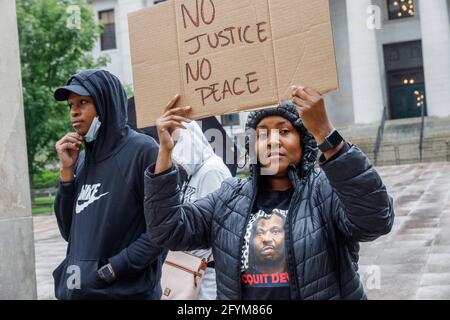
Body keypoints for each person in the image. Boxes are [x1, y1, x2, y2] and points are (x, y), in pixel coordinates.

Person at [144, 87, 395, 300]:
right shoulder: (228, 198)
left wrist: (326, 134)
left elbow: (376, 220)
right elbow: (167, 230)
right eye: (262, 134)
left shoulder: (326, 192)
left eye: (284, 131)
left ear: (303, 141)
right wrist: (165, 153)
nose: (273, 141)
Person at [52, 69, 166, 299]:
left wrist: (112, 270)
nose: (74, 111)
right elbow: (69, 232)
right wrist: (66, 174)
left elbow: (162, 230)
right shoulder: (81, 159)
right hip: (78, 292)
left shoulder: (143, 151)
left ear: (106, 103)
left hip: (125, 293)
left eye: (83, 102)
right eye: (71, 105)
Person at [172, 120, 231, 299]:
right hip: (193, 265)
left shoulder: (212, 170)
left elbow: (216, 223)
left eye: (178, 142)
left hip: (207, 269)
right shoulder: (194, 172)